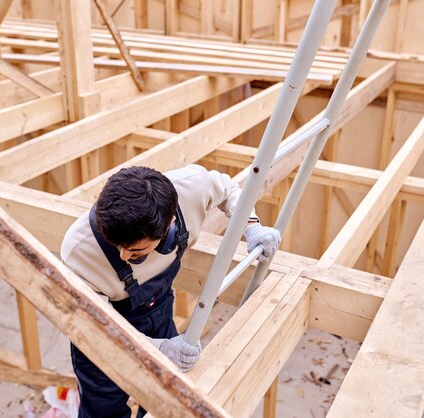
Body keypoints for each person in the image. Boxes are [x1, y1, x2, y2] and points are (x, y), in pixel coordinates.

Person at [61, 164, 281, 418]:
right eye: (117, 245)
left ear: (169, 224)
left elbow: (229, 190)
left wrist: (252, 225)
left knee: (165, 397)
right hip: (103, 330)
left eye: (135, 251)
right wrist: (159, 350)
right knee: (103, 410)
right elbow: (96, 328)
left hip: (159, 310)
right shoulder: (80, 250)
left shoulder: (191, 186)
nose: (123, 255)